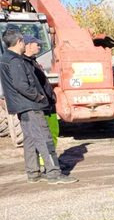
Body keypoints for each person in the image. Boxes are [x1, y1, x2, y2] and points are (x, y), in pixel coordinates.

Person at [0, 29, 76, 184]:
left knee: (30, 140)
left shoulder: (6, 59)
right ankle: (54, 173)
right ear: (19, 42)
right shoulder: (16, 61)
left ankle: (33, 173)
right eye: (24, 42)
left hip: (22, 107)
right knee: (44, 138)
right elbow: (22, 85)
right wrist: (39, 97)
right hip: (31, 106)